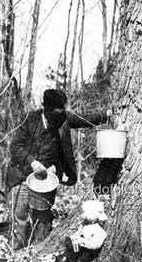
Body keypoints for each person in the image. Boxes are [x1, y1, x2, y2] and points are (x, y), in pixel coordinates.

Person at [6, 89, 112, 250]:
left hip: (46, 179)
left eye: (60, 111)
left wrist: (107, 114)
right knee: (19, 218)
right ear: (45, 108)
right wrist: (33, 163)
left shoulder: (63, 118)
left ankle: (39, 253)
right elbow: (15, 147)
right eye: (54, 112)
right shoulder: (30, 120)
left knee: (43, 219)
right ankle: (15, 253)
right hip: (21, 176)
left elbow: (85, 119)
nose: (57, 116)